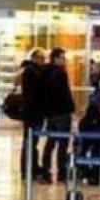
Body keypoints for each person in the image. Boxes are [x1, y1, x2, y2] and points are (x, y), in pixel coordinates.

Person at [39, 48, 75, 184]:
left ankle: (46, 171)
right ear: (55, 58)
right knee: (62, 144)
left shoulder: (44, 72)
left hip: (50, 113)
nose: (64, 60)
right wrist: (70, 107)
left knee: (50, 142)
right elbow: (63, 93)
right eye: (62, 57)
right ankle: (61, 173)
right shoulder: (60, 73)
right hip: (62, 112)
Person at [20, 49, 46, 180]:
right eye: (41, 58)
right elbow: (34, 93)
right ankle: (29, 169)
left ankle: (31, 167)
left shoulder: (31, 71)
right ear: (35, 58)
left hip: (33, 112)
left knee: (31, 142)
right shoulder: (32, 72)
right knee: (30, 141)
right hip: (33, 113)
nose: (43, 61)